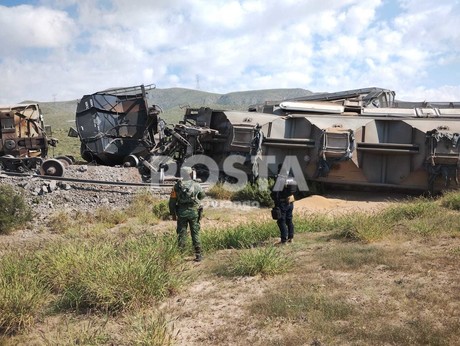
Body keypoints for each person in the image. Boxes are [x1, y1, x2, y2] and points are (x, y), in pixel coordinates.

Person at [169, 166, 205, 262]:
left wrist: (173, 214)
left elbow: (172, 202)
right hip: (194, 213)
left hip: (181, 213)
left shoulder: (177, 186)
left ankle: (181, 255)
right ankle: (198, 254)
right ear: (190, 173)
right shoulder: (196, 185)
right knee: (195, 232)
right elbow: (202, 196)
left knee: (181, 233)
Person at [270, 170, 297, 244]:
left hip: (282, 203)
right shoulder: (291, 178)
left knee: (281, 221)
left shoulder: (280, 179)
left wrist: (275, 200)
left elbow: (275, 193)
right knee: (289, 220)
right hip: (290, 202)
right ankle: (291, 238)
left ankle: (283, 240)